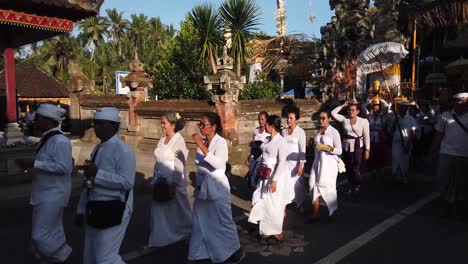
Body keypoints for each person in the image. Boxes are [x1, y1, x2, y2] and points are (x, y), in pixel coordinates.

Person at [76, 107, 136, 264]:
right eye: (95, 123)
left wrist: (98, 173)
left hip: (114, 207)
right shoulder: (98, 148)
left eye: (100, 124)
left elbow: (127, 182)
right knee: (90, 255)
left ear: (113, 126)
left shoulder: (123, 150)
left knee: (105, 258)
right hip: (95, 206)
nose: (95, 127)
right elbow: (89, 182)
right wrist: (81, 209)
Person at [17, 103, 72, 263]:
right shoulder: (48, 138)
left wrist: (34, 163)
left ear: (48, 120)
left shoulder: (59, 141)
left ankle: (63, 255)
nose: (35, 120)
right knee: (53, 230)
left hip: (53, 194)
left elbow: (65, 167)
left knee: (39, 234)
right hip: (44, 191)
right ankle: (52, 257)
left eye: (39, 118)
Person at [189, 112, 244, 264]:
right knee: (198, 221)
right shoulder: (204, 142)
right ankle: (197, 254)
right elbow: (199, 165)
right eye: (199, 124)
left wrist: (201, 145)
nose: (201, 127)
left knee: (223, 220)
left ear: (213, 127)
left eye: (204, 124)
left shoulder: (220, 143)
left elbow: (219, 164)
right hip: (203, 187)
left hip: (218, 186)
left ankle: (234, 249)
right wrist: (198, 185)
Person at [149, 112, 191, 247]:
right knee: (159, 209)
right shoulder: (162, 140)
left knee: (180, 209)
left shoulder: (179, 141)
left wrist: (174, 184)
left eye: (164, 123)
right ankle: (162, 237)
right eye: (161, 123)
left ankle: (188, 231)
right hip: (159, 180)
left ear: (173, 125)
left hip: (174, 181)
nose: (161, 126)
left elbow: (180, 164)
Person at [248, 115, 289, 242]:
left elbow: (282, 162)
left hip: (275, 175)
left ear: (271, 126)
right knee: (262, 199)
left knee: (275, 203)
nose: (264, 125)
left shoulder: (281, 142)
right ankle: (265, 231)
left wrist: (275, 181)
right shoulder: (266, 140)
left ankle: (277, 231)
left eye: (266, 124)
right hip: (263, 174)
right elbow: (261, 151)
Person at [430, 92, 468, 218]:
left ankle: (459, 205)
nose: (461, 103)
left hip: (464, 154)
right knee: (443, 179)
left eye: (463, 101)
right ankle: (445, 203)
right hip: (446, 153)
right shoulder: (445, 116)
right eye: (458, 101)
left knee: (461, 182)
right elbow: (438, 135)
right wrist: (433, 151)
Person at [309, 111, 342, 221]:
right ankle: (315, 213)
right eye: (320, 118)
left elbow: (339, 150)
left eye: (323, 118)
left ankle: (332, 212)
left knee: (328, 187)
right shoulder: (318, 132)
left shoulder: (334, 132)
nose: (321, 120)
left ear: (329, 119)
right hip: (317, 162)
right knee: (312, 185)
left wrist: (327, 148)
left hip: (329, 164)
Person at [332, 101, 370, 195]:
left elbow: (366, 136)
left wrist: (367, 149)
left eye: (353, 110)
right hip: (346, 146)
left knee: (356, 167)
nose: (351, 112)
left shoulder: (363, 121)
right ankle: (351, 184)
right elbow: (333, 113)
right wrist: (343, 105)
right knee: (348, 167)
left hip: (358, 146)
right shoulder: (344, 119)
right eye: (349, 110)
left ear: (358, 111)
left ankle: (357, 185)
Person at [282, 106, 307, 207]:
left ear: (296, 119)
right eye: (287, 118)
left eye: (291, 118)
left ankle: (300, 204)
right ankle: (286, 203)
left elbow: (302, 150)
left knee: (298, 184)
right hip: (285, 162)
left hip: (296, 162)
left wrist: (301, 165)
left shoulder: (300, 132)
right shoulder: (284, 132)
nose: (288, 120)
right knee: (286, 183)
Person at [362, 96, 390, 179]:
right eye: (374, 108)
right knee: (371, 157)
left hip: (380, 141)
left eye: (377, 109)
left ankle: (379, 171)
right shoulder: (369, 116)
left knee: (380, 156)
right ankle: (372, 171)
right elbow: (363, 106)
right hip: (370, 140)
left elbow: (387, 106)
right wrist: (371, 99)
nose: (375, 110)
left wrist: (381, 99)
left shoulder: (383, 117)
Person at [389, 101, 417, 184]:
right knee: (395, 157)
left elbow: (413, 131)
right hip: (396, 141)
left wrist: (409, 143)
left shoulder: (411, 119)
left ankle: (403, 175)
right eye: (402, 107)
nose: (403, 109)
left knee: (405, 159)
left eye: (405, 108)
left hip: (407, 141)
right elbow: (391, 130)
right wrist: (395, 121)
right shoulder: (395, 117)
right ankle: (396, 174)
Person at [245, 111, 270, 189]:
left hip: (262, 157)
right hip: (253, 156)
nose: (260, 121)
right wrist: (248, 157)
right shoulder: (256, 130)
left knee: (258, 175)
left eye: (262, 119)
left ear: (266, 120)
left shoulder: (268, 133)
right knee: (252, 174)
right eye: (259, 119)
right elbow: (252, 144)